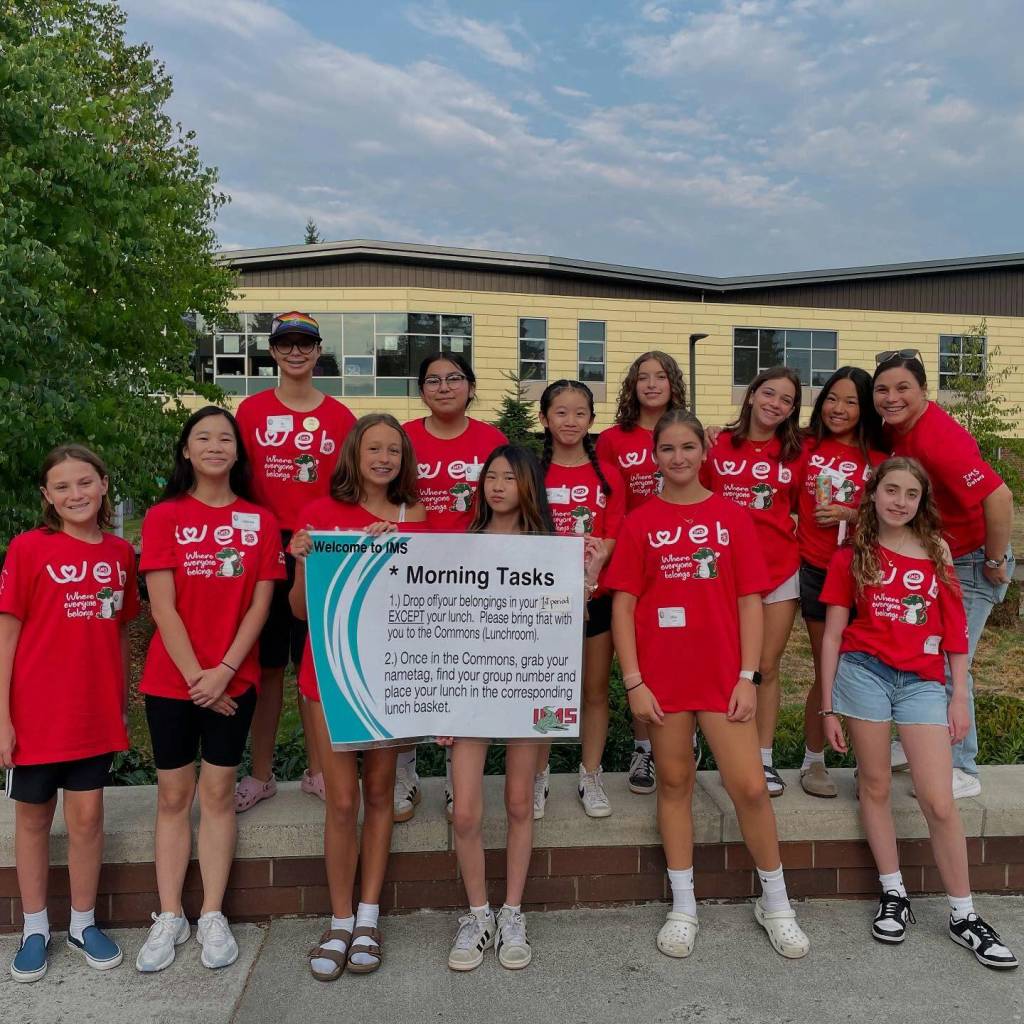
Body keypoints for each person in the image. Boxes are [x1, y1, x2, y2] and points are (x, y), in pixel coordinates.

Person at [606, 409, 810, 961]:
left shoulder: (731, 517)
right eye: (667, 449)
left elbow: (750, 601)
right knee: (674, 786)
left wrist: (749, 675)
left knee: (748, 787)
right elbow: (623, 604)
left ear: (704, 452)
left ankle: (776, 902)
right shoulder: (640, 522)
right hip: (662, 683)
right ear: (655, 457)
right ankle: (683, 905)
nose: (678, 458)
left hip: (724, 679)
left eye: (688, 448)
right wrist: (633, 683)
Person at [820, 457, 1017, 969]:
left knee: (938, 798)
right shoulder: (853, 553)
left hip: (923, 682)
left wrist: (956, 696)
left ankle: (964, 913)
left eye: (910, 493)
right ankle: (893, 893)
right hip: (863, 674)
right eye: (891, 490)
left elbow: (954, 628)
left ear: (920, 501)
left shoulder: (937, 551)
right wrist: (827, 707)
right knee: (876, 784)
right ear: (874, 493)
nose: (899, 501)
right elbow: (834, 636)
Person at [442, 445, 606, 972]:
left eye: (509, 478)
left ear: (529, 486)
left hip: (528, 687)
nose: (497, 486)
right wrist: (439, 703)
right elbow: (437, 621)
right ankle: (476, 913)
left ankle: (512, 910)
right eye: (490, 476)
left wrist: (589, 576)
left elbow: (564, 626)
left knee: (519, 803)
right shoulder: (462, 544)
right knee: (465, 810)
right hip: (469, 688)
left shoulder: (552, 548)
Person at [135, 407, 284, 973]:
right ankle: (169, 914)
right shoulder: (163, 516)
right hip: (172, 681)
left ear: (238, 452)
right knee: (174, 797)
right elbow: (162, 605)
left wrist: (223, 670)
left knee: (219, 794)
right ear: (186, 451)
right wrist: (200, 678)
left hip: (233, 679)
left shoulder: (260, 520)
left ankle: (213, 914)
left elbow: (261, 605)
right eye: (203, 437)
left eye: (226, 438)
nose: (215, 446)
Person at [289, 414, 427, 980]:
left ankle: (369, 915)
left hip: (387, 676)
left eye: (393, 449)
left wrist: (400, 551)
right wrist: (301, 562)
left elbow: (429, 598)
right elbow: (300, 610)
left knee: (379, 794)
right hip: (328, 675)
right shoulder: (321, 515)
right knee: (342, 801)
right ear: (355, 453)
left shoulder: (418, 516)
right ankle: (339, 918)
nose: (384, 458)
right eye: (374, 448)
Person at [1, 445, 139, 983]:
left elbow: (120, 633)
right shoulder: (29, 549)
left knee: (87, 821)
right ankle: (35, 927)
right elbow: (6, 637)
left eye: (84, 483)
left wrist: (121, 704)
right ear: (46, 496)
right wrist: (3, 719)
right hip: (34, 716)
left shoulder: (120, 553)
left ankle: (83, 923)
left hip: (93, 716)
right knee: (33, 820)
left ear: (103, 485)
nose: (75, 494)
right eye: (62, 487)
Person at [872, 352, 1014, 798]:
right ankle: (917, 742)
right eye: (882, 389)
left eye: (902, 389)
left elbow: (1000, 497)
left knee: (954, 664)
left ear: (924, 392)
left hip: (973, 562)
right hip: (941, 558)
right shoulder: (897, 426)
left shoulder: (939, 440)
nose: (891, 398)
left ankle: (962, 767)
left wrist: (993, 562)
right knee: (921, 653)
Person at [234, 311, 356, 813]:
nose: (296, 352)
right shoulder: (251, 411)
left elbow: (349, 488)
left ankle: (316, 771)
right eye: (287, 344)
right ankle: (261, 774)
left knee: (318, 669)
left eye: (305, 343)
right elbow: (236, 481)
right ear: (274, 352)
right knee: (265, 671)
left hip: (319, 549)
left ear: (318, 349)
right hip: (265, 548)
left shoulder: (341, 417)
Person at [396, 353, 506, 823]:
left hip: (473, 577)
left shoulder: (492, 440)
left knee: (461, 674)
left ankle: (456, 780)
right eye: (433, 380)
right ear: (422, 390)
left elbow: (509, 502)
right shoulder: (403, 438)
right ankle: (405, 770)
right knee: (409, 671)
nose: (444, 387)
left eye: (454, 378)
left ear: (470, 386)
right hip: (409, 572)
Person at [700, 368, 804, 798]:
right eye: (769, 393)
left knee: (765, 667)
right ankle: (723, 753)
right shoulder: (716, 443)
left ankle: (762, 758)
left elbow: (803, 504)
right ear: (751, 395)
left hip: (778, 569)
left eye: (786, 399)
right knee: (723, 665)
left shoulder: (797, 453)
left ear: (793, 410)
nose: (775, 403)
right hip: (724, 573)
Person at [596, 350, 688, 795]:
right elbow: (605, 503)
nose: (652, 384)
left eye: (661, 377)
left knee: (673, 651)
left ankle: (680, 737)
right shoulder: (613, 439)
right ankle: (642, 748)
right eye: (643, 378)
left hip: (679, 558)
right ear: (632, 387)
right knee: (635, 656)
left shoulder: (687, 432)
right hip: (630, 560)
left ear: (674, 383)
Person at [795, 367, 886, 798]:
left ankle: (877, 758)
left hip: (866, 573)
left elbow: (900, 509)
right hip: (815, 568)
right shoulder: (803, 446)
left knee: (872, 666)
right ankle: (814, 761)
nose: (839, 408)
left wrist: (851, 515)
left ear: (865, 407)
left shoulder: (880, 457)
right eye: (832, 397)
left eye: (851, 401)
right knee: (825, 668)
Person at [536, 380, 625, 818]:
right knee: (547, 687)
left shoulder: (607, 473)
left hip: (597, 599)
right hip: (544, 603)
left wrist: (590, 570)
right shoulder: (532, 471)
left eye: (579, 413)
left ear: (592, 419)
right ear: (545, 419)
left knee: (592, 691)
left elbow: (613, 536)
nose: (570, 421)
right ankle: (540, 772)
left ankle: (590, 774)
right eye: (561, 413)